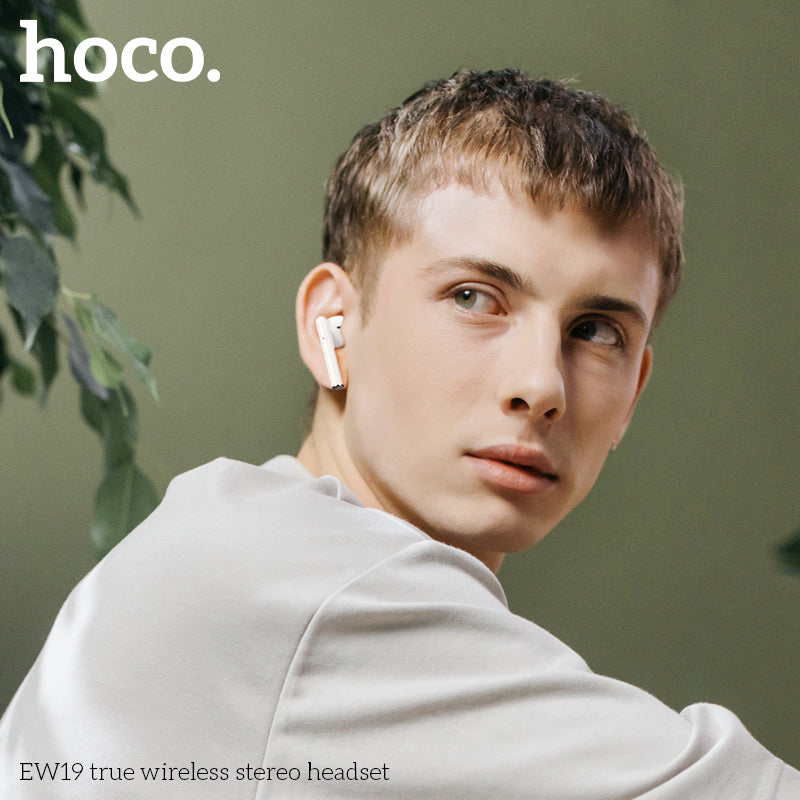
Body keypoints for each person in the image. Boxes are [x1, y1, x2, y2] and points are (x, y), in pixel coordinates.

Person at [1, 69, 797, 798]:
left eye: (595, 331)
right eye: (474, 297)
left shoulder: (247, 534)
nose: (541, 386)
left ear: (632, 397)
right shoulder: (311, 587)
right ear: (333, 327)